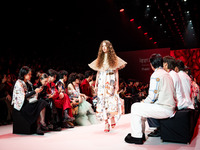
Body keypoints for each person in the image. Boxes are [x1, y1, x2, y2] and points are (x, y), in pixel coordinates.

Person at [124, 54, 176, 144]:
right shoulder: (167, 75)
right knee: (140, 108)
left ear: (151, 64)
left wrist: (144, 102)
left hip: (164, 108)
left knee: (135, 107)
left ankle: (136, 137)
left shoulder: (156, 75)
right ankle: (140, 134)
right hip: (170, 107)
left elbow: (152, 97)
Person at [147, 56, 193, 137]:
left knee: (150, 104)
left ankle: (159, 128)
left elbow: (169, 93)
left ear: (165, 64)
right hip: (182, 101)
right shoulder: (175, 74)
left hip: (177, 103)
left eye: (162, 64)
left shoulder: (170, 75)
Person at [88, 40, 127, 132]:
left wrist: (117, 84)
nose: (104, 48)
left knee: (111, 100)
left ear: (109, 47)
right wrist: (96, 83)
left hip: (111, 80)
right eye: (102, 46)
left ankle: (112, 117)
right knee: (102, 101)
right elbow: (98, 71)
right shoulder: (100, 58)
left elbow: (116, 71)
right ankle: (106, 122)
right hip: (102, 80)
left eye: (105, 46)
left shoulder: (114, 58)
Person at [12, 66, 48, 135]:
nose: (30, 76)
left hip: (29, 102)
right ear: (24, 75)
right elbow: (23, 96)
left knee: (42, 102)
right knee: (41, 103)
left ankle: (39, 126)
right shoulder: (19, 83)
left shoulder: (28, 83)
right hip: (22, 105)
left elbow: (30, 93)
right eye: (29, 74)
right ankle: (41, 124)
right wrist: (34, 92)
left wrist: (37, 91)